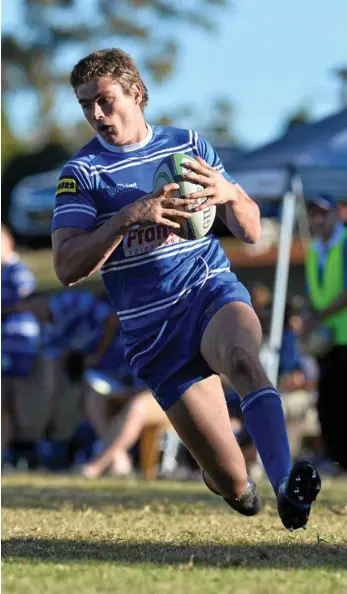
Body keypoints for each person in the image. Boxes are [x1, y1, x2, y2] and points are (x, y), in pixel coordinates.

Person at [51, 48, 321, 530]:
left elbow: (253, 231)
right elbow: (67, 267)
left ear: (136, 93)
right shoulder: (82, 174)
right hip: (154, 335)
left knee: (243, 361)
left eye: (105, 100)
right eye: (86, 105)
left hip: (207, 291)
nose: (96, 114)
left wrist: (230, 193)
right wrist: (127, 217)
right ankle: (235, 483)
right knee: (235, 486)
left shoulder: (188, 144)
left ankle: (286, 485)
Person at [16, 289, 119, 469]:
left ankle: (113, 457)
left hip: (117, 356)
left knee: (94, 404)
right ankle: (107, 456)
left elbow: (111, 319)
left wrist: (98, 354)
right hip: (91, 367)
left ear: (44, 301)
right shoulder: (47, 331)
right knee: (84, 406)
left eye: (34, 309)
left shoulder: (71, 301)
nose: (35, 315)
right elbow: (52, 368)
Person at [302, 194, 347, 471]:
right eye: (313, 214)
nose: (317, 219)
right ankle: (336, 459)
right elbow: (313, 293)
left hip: (343, 337)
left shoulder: (344, 243)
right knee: (328, 403)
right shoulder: (314, 249)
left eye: (322, 213)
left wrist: (316, 318)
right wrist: (306, 317)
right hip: (327, 341)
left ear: (335, 215)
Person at [1, 225, 41, 467]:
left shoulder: (17, 271)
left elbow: (28, 302)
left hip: (18, 344)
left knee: (15, 399)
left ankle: (23, 451)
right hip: (6, 344)